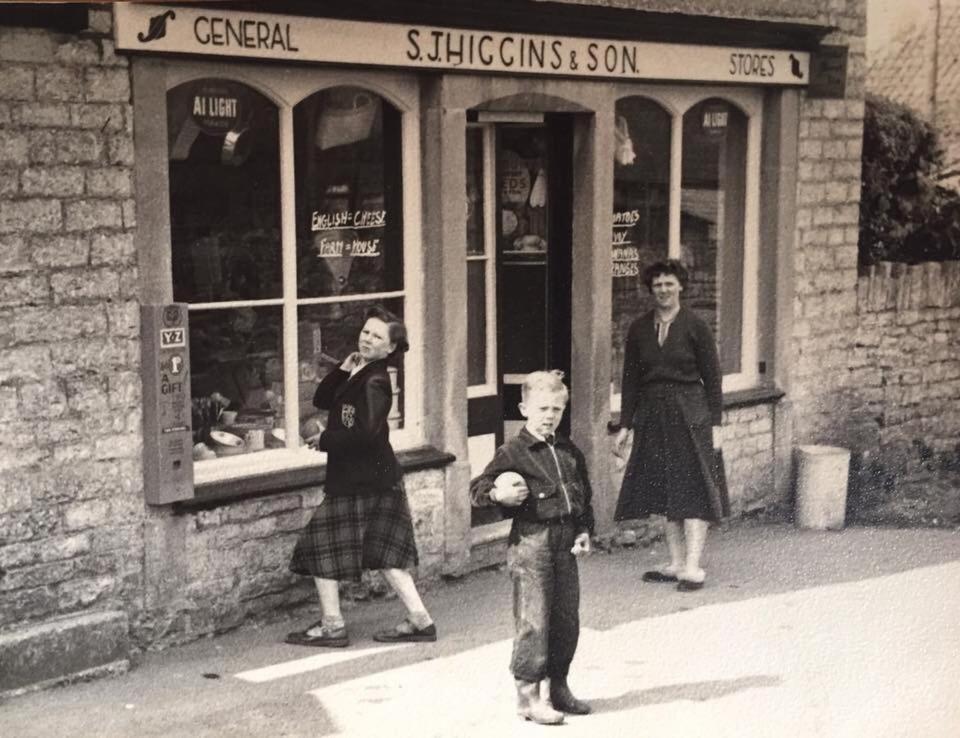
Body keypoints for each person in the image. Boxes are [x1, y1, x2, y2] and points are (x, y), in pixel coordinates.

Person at [286, 306, 436, 647]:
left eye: (378, 337)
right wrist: (344, 367)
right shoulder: (362, 371)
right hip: (373, 477)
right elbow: (323, 398)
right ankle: (420, 620)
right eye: (366, 332)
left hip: (364, 479)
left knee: (320, 544)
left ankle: (333, 625)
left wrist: (325, 440)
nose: (368, 339)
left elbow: (367, 435)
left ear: (391, 349)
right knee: (384, 553)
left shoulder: (377, 382)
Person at [470, 370, 594, 725]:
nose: (549, 415)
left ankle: (559, 688)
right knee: (534, 620)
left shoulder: (569, 450)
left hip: (565, 542)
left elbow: (583, 495)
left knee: (566, 619)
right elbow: (478, 488)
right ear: (524, 408)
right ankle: (528, 697)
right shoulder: (513, 451)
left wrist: (583, 529)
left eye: (557, 408)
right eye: (542, 408)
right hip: (531, 543)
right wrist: (498, 493)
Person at [614, 259, 728, 592]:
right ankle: (676, 562)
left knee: (692, 489)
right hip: (653, 415)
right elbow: (631, 379)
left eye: (669, 284)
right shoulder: (639, 328)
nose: (663, 290)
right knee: (666, 490)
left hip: (690, 415)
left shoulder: (696, 326)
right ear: (650, 289)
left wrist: (716, 425)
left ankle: (693, 566)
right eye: (657, 285)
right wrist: (625, 425)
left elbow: (713, 378)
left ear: (680, 286)